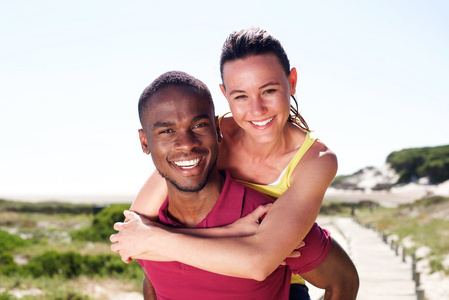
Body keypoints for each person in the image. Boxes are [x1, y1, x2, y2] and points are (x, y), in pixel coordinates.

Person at [111, 27, 359, 299]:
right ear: (225, 94)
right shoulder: (209, 137)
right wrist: (230, 232)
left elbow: (260, 261)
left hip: (284, 274)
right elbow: (132, 232)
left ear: (292, 81)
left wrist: (152, 239)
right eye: (240, 96)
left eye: (269, 90)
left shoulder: (315, 161)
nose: (256, 110)